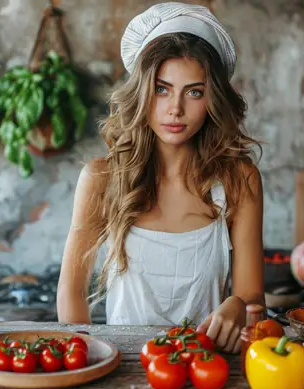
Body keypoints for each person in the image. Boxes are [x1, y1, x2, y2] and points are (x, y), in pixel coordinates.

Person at [56, 2, 264, 354]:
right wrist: (90, 362)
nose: (175, 108)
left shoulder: (239, 180)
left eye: (194, 92)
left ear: (212, 99)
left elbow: (254, 300)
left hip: (207, 370)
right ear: (141, 92)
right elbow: (71, 293)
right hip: (122, 367)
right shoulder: (102, 178)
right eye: (162, 88)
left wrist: (239, 304)